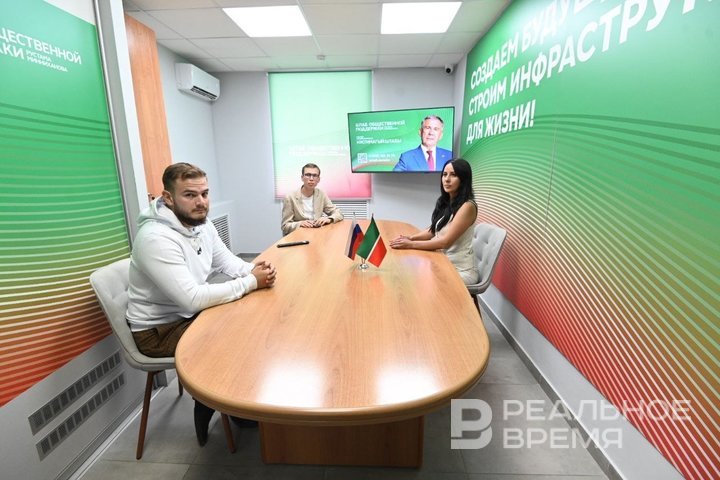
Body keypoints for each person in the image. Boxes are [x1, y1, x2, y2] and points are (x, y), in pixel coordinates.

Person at [126, 162, 277, 446]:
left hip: (188, 315)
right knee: (238, 338)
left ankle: (236, 401)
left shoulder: (201, 224)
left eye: (205, 194)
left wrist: (255, 270)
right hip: (159, 331)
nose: (201, 202)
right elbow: (192, 298)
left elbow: (227, 262)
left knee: (253, 322)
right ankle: (212, 403)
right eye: (190, 195)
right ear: (168, 198)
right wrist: (250, 283)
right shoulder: (155, 238)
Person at [389, 158, 479, 285]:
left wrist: (410, 244)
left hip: (459, 271)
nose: (447, 179)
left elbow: (445, 242)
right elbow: (433, 231)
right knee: (409, 271)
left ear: (463, 179)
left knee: (418, 281)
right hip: (443, 262)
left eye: (453, 175)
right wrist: (411, 238)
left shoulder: (468, 206)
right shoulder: (447, 202)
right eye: (444, 174)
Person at [281, 163, 344, 236]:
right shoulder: (290, 197)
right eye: (308, 175)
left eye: (315, 175)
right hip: (298, 236)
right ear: (302, 177)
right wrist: (300, 224)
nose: (311, 179)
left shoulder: (321, 194)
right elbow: (285, 226)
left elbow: (338, 213)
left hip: (316, 235)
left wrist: (329, 219)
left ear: (318, 179)